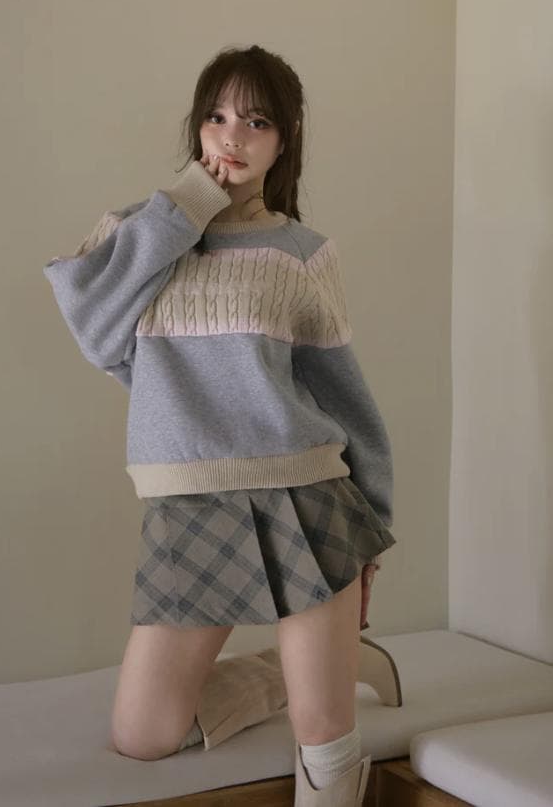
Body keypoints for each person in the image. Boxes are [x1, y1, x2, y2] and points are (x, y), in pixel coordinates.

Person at [43, 43, 398, 807]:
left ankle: (325, 669)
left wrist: (377, 525)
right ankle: (305, 666)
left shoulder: (302, 253)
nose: (231, 137)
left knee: (324, 743)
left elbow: (345, 397)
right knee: (142, 735)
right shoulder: (141, 233)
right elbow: (94, 331)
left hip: (308, 496)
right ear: (196, 126)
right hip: (190, 502)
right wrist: (188, 206)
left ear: (284, 138)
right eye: (216, 116)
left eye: (256, 121)